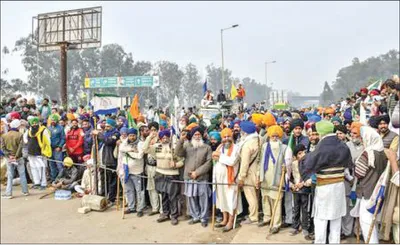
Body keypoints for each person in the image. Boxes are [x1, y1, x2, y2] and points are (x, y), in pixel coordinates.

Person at [303, 120, 352, 244]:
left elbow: (308, 164)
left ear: (321, 132)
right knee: (336, 219)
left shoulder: (321, 147)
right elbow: (349, 165)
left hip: (324, 187)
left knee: (321, 219)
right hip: (339, 186)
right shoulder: (343, 145)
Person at [143, 129, 184, 226]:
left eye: (166, 137)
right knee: (164, 195)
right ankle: (165, 214)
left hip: (172, 174)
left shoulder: (174, 148)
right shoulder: (157, 147)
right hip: (160, 174)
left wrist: (176, 164)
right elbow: (145, 149)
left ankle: (174, 216)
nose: (164, 139)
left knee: (172, 197)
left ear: (169, 137)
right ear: (160, 139)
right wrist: (149, 137)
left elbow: (182, 160)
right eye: (162, 138)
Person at [354, 126, 387, 243]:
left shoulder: (367, 153)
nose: (362, 141)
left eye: (363, 138)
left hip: (366, 191)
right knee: (373, 221)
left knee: (366, 221)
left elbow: (359, 173)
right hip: (377, 191)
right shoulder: (382, 152)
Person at [176, 126, 212, 227]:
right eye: (195, 134)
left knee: (203, 198)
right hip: (189, 177)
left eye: (198, 134)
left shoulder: (207, 147)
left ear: (201, 136)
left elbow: (209, 163)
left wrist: (197, 172)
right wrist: (181, 140)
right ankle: (195, 216)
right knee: (191, 197)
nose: (197, 136)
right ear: (192, 136)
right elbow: (178, 153)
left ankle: (203, 218)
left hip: (201, 177)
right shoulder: (187, 146)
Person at [257, 125, 287, 233]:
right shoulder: (265, 146)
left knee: (276, 200)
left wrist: (285, 167)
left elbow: (287, 161)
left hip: (277, 177)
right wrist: (258, 175)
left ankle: (276, 223)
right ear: (269, 136)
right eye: (272, 136)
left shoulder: (283, 147)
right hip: (265, 176)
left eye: (276, 136)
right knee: (265, 198)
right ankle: (267, 218)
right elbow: (260, 160)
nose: (274, 138)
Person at [212, 128, 242, 232]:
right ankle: (224, 219)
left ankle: (231, 221)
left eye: (228, 136)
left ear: (232, 136)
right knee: (222, 199)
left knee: (231, 200)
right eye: (224, 137)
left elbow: (232, 161)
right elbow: (215, 158)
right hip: (220, 179)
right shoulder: (220, 147)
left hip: (231, 179)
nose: (226, 139)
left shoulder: (236, 148)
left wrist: (219, 156)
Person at [237, 121, 261, 225]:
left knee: (250, 195)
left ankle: (253, 217)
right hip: (258, 171)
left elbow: (244, 163)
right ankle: (255, 213)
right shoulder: (259, 139)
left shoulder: (247, 145)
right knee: (256, 195)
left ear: (245, 132)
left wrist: (241, 177)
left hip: (249, 172)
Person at [93, 118, 120, 206]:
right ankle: (103, 196)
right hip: (102, 161)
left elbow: (108, 141)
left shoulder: (116, 134)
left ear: (112, 126)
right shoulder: (104, 133)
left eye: (108, 126)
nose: (106, 127)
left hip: (111, 161)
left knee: (112, 182)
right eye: (106, 126)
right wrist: (95, 136)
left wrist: (99, 134)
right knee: (103, 179)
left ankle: (111, 199)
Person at [120, 128, 146, 217]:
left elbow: (139, 156)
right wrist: (131, 150)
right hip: (127, 171)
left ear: (136, 135)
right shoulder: (125, 142)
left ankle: (140, 208)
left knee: (139, 191)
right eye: (130, 135)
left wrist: (128, 153)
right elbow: (121, 148)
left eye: (133, 135)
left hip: (137, 171)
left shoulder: (140, 143)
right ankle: (131, 207)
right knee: (129, 190)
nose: (132, 137)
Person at [289, 144, 313, 240]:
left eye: (304, 152)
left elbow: (311, 177)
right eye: (299, 153)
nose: (302, 155)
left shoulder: (309, 163)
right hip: (296, 189)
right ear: (295, 156)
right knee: (295, 208)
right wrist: (292, 185)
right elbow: (289, 177)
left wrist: (303, 184)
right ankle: (295, 226)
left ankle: (305, 228)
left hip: (305, 189)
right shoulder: (293, 164)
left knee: (305, 209)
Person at [1, 119, 29, 198]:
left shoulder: (4, 135)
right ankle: (25, 191)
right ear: (17, 126)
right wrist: (16, 156)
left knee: (10, 176)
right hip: (18, 157)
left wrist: (9, 155)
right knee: (22, 174)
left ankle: (9, 193)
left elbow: (2, 148)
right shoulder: (20, 135)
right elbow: (21, 147)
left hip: (9, 158)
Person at [23, 116, 52, 190]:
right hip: (31, 152)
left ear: (39, 123)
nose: (34, 124)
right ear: (30, 124)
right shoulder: (29, 130)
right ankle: (37, 182)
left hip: (40, 153)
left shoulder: (43, 130)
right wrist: (28, 143)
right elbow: (25, 139)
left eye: (36, 123)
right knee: (33, 168)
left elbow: (48, 141)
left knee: (41, 168)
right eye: (33, 123)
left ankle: (43, 184)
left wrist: (45, 151)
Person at [144, 122, 161, 216]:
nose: (153, 132)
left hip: (158, 167)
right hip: (149, 167)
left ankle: (162, 210)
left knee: (160, 189)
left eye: (155, 130)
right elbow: (144, 149)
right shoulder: (148, 139)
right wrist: (149, 138)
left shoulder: (161, 140)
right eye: (151, 130)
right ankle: (155, 208)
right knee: (151, 188)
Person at [48, 114, 66, 183]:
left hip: (57, 149)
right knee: (51, 164)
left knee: (59, 164)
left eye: (54, 120)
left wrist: (60, 146)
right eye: (52, 120)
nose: (53, 121)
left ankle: (60, 178)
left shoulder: (60, 128)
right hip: (50, 149)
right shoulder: (49, 128)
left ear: (57, 120)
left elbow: (63, 138)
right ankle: (53, 178)